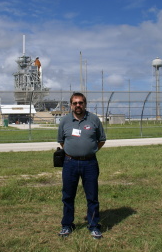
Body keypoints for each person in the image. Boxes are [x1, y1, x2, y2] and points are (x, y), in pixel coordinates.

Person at [57, 92, 106, 239]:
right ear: (71, 105)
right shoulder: (65, 121)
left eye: (81, 103)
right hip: (70, 163)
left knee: (92, 196)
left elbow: (101, 139)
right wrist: (73, 152)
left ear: (85, 104)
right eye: (75, 103)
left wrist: (90, 150)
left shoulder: (94, 119)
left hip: (89, 163)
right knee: (68, 196)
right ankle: (67, 225)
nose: (78, 105)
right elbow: (61, 141)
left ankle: (93, 226)